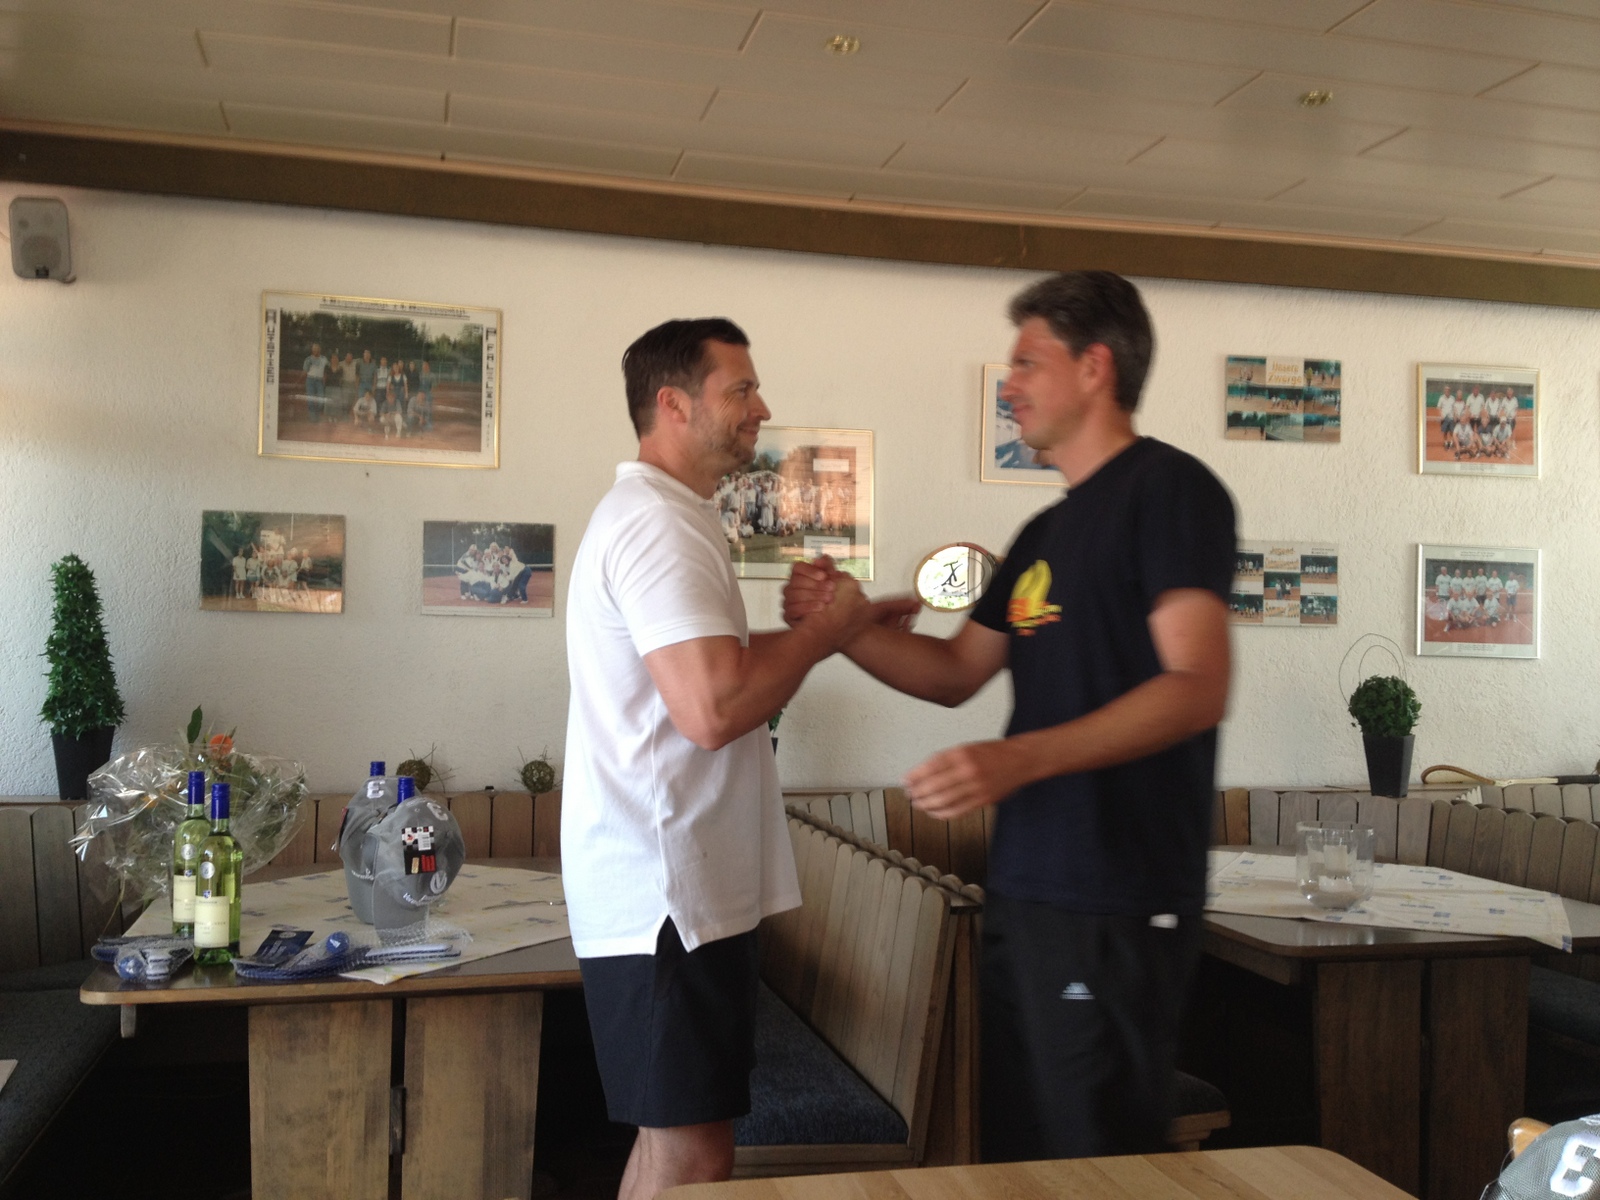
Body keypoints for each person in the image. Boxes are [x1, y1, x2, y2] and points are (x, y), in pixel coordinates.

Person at [785, 271, 1236, 1161]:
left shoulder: (1170, 492)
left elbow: (1197, 684)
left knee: (1096, 1167)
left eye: (1028, 362)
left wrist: (1021, 759)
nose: (1010, 385)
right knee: (1020, 1161)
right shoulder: (1043, 536)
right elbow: (956, 671)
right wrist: (840, 628)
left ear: (1095, 367)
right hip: (1029, 892)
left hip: (1117, 898)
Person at [563, 317, 873, 1200]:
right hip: (669, 898)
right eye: (741, 389)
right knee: (696, 1160)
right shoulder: (656, 524)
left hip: (668, 892)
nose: (761, 408)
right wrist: (824, 633)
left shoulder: (667, 516)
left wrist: (837, 627)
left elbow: (713, 677)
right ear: (673, 403)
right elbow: (714, 710)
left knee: (672, 1148)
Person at [302, 342, 329, 423]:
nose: (315, 350)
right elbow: (305, 372)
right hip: (310, 380)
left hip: (319, 381)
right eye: (314, 349)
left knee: (321, 399)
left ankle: (317, 414)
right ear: (312, 350)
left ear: (320, 349)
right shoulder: (308, 359)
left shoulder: (324, 359)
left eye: (317, 349)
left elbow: (330, 367)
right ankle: (313, 417)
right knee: (310, 400)